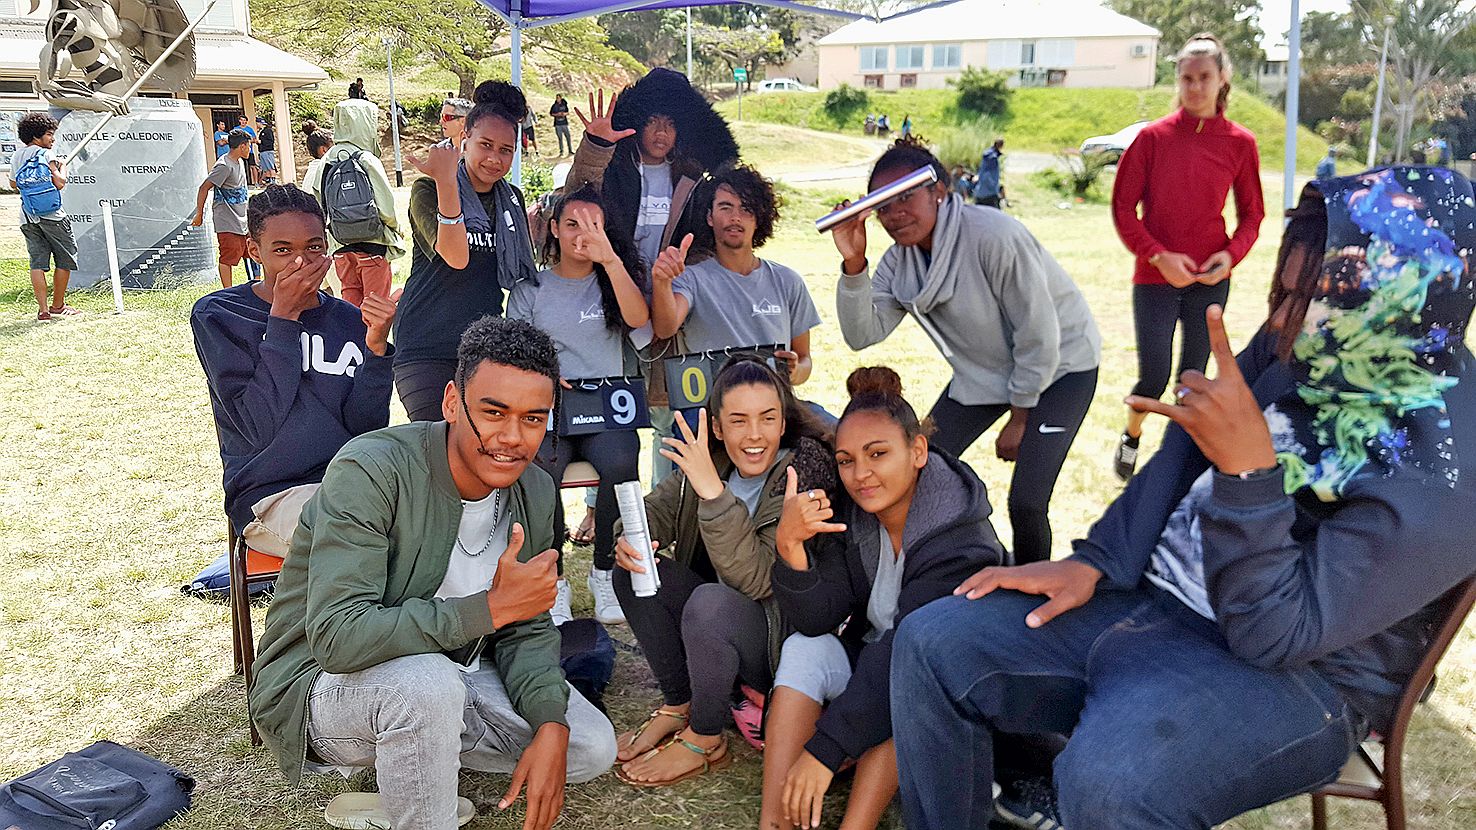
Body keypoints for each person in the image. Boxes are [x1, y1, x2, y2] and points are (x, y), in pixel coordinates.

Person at [889, 167, 1476, 830]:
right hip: (1157, 597)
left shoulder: (1448, 471)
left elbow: (1275, 634)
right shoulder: (1310, 343)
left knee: (1111, 784)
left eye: (1306, 302)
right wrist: (1098, 560)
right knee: (934, 642)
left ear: (1399, 301)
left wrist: (1250, 475)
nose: (1279, 323)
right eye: (1282, 294)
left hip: (1298, 677)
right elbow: (1185, 448)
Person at [250, 316, 618, 830]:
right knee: (427, 684)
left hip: (453, 670)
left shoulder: (534, 490)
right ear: (451, 402)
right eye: (494, 412)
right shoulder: (372, 469)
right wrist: (486, 610)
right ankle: (420, 798)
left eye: (534, 418)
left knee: (588, 746)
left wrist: (549, 720)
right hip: (321, 684)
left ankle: (414, 775)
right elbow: (337, 639)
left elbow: (528, 625)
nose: (512, 438)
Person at [830, 138, 1100, 565]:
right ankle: (938, 568)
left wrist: (1021, 417)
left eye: (907, 197)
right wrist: (854, 264)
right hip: (983, 375)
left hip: (1060, 368)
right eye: (884, 205)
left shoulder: (994, 235)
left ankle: (1032, 595)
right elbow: (862, 333)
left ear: (939, 190)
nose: (896, 214)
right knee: (918, 472)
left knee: (1027, 502)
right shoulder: (899, 262)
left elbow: (1038, 333)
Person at [760, 367, 1006, 830]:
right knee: (804, 649)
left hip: (953, 696)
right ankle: (776, 822)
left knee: (913, 681)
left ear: (917, 451)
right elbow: (819, 619)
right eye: (846, 460)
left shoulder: (962, 543)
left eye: (878, 454)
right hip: (880, 666)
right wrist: (790, 547)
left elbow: (906, 655)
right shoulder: (857, 513)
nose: (860, 474)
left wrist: (825, 752)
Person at [609, 356, 837, 788]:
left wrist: (713, 493)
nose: (754, 435)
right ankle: (681, 704)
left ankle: (706, 737)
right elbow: (656, 510)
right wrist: (632, 538)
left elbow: (754, 582)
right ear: (716, 427)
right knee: (635, 571)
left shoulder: (800, 476)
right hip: (712, 630)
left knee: (710, 602)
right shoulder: (712, 463)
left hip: (774, 639)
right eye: (738, 421)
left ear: (783, 422)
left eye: (768, 418)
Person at [190, 184, 395, 556]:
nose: (300, 263)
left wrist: (377, 350)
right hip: (271, 494)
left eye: (313, 247)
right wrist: (284, 317)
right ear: (255, 251)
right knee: (359, 541)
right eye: (282, 250)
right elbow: (257, 425)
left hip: (350, 483)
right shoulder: (220, 316)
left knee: (431, 524)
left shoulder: (349, 320)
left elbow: (366, 430)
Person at [564, 69, 740, 483]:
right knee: (606, 409)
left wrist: (678, 275)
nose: (661, 132)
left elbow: (708, 239)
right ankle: (599, 505)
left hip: (666, 308)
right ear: (637, 122)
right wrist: (596, 145)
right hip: (607, 301)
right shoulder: (615, 165)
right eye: (652, 121)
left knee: (668, 412)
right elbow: (576, 199)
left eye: (671, 123)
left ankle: (666, 507)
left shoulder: (694, 179)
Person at [1110, 32, 1265, 482]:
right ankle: (1131, 437)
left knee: (1192, 379)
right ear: (1177, 81)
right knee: (1154, 376)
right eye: (1186, 78)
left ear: (1222, 80)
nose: (1195, 87)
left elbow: (1253, 214)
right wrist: (1158, 256)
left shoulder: (1240, 143)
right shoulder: (1151, 139)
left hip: (1209, 279)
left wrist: (1231, 256)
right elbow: (1123, 209)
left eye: (1204, 77)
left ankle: (1172, 464)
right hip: (1156, 277)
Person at [509, 184, 651, 626]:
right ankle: (553, 580)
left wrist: (610, 260)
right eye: (572, 224)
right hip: (548, 411)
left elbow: (639, 321)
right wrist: (545, 377)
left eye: (594, 226)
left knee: (621, 460)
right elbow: (512, 352)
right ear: (553, 228)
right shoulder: (531, 289)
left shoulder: (615, 280)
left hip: (606, 410)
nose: (582, 235)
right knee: (541, 472)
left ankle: (604, 571)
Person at [395, 81, 536, 419]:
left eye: (506, 149)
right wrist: (446, 181)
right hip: (426, 343)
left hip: (483, 347)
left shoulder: (511, 199)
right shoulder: (429, 188)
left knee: (479, 452)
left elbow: (523, 273)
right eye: (485, 144)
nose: (494, 158)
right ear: (465, 139)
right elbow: (456, 257)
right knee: (437, 449)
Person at [653, 164, 821, 389]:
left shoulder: (788, 281)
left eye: (746, 209)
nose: (735, 218)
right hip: (713, 409)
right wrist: (661, 282)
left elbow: (804, 359)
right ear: (710, 217)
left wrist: (795, 371)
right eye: (725, 207)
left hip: (775, 407)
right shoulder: (691, 278)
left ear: (759, 218)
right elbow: (666, 328)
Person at [305, 98, 404, 308]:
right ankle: (372, 342)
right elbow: (385, 206)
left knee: (350, 304)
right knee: (375, 307)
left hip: (340, 244)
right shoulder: (366, 158)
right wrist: (396, 229)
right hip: (373, 243)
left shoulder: (326, 161)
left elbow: (318, 204)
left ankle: (353, 341)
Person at [11, 112, 79, 321]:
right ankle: (58, 305)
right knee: (65, 258)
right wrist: (63, 168)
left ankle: (43, 311)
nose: (52, 139)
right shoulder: (47, 155)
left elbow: (14, 185)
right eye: (49, 134)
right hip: (53, 216)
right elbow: (59, 183)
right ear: (36, 136)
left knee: (37, 262)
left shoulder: (16, 156)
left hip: (28, 217)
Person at [192, 128, 253, 288]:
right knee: (227, 258)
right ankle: (228, 291)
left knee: (252, 253)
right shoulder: (224, 166)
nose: (250, 150)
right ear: (242, 146)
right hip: (227, 221)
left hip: (243, 219)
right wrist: (199, 214)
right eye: (248, 146)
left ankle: (255, 285)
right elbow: (204, 187)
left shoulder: (239, 161)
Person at [972, 138, 1005, 208]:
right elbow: (990, 176)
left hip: (980, 191)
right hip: (989, 193)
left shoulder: (986, 156)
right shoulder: (993, 159)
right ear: (1001, 146)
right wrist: (994, 188)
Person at [236, 115, 259, 186]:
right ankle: (240, 183)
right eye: (241, 120)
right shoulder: (236, 129)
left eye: (244, 120)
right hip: (239, 151)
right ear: (239, 121)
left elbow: (255, 139)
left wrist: (248, 141)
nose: (243, 122)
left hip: (249, 151)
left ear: (246, 121)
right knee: (238, 166)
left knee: (253, 166)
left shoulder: (250, 129)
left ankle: (256, 182)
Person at [255, 116, 278, 185]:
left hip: (268, 151)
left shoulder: (268, 130)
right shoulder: (262, 131)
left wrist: (261, 142)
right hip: (262, 151)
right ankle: (268, 180)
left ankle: (273, 180)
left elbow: (270, 141)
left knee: (270, 166)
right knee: (266, 168)